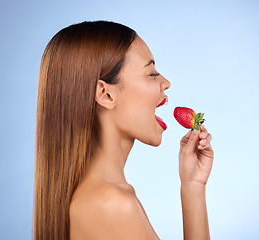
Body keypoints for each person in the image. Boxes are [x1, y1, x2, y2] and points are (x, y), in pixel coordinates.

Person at [33, 20, 214, 240]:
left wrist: (193, 184)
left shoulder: (98, 196)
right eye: (151, 73)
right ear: (105, 94)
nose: (165, 83)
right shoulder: (112, 204)